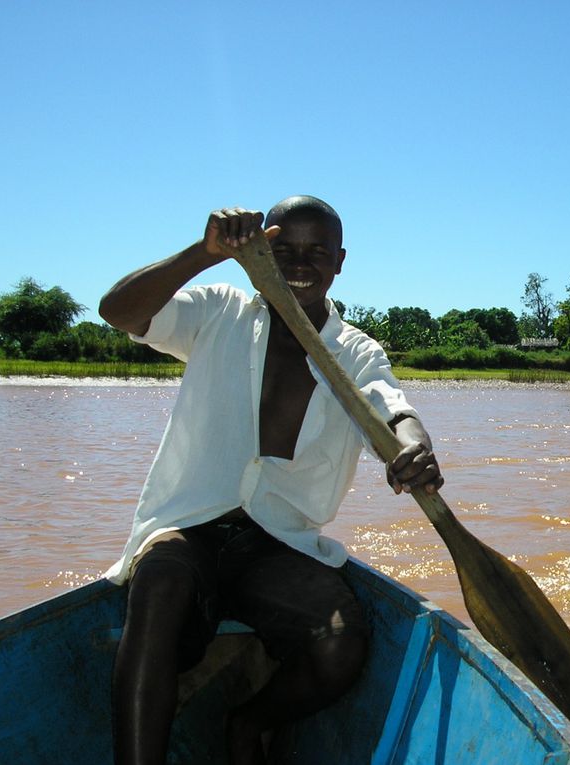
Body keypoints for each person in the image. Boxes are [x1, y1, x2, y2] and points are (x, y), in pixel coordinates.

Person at [98, 196, 443, 765]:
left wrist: (414, 447)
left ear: (340, 261)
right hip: (190, 526)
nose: (299, 264)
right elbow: (119, 311)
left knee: (340, 646)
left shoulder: (356, 352)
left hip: (279, 542)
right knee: (159, 581)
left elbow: (393, 410)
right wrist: (201, 254)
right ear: (259, 250)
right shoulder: (218, 310)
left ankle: (250, 722)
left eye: (316, 252)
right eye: (283, 250)